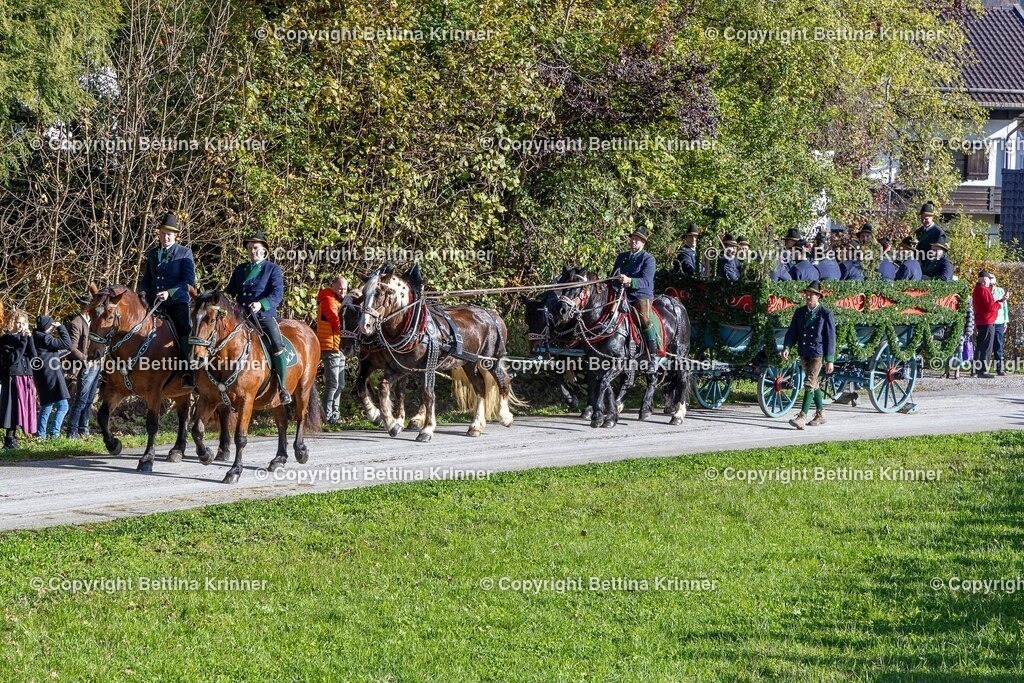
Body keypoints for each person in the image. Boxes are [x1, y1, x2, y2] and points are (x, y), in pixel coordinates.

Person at [225, 231, 292, 404]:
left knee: (277, 345)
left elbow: (277, 293)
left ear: (264, 251)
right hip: (241, 316)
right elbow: (230, 291)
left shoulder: (272, 269)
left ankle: (283, 387)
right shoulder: (240, 269)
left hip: (262, 316)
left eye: (255, 248)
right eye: (249, 248)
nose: (252, 251)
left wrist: (261, 303)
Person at [139, 212, 197, 387]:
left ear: (175, 235)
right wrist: (142, 294)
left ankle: (189, 371)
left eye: (169, 234)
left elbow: (188, 282)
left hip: (177, 302)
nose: (165, 237)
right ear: (159, 233)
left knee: (184, 330)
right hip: (154, 303)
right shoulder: (153, 254)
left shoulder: (184, 253)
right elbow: (146, 279)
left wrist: (169, 293)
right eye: (163, 233)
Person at [783, 281, 836, 429]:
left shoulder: (826, 314)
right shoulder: (800, 312)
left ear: (818, 296)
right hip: (804, 352)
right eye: (807, 293)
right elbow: (792, 332)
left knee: (809, 383)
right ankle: (821, 414)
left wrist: (829, 360)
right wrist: (787, 346)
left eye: (811, 294)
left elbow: (831, 338)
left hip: (817, 353)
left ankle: (802, 417)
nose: (808, 296)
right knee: (814, 384)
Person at [613, 224, 662, 364]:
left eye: (637, 239)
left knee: (644, 318)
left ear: (643, 243)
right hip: (621, 293)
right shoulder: (621, 257)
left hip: (640, 295)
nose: (634, 241)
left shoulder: (648, 259)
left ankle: (653, 353)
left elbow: (646, 281)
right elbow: (614, 275)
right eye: (633, 238)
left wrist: (630, 281)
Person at [0, 311, 38, 449]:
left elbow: (34, 357)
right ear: (12, 323)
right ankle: (9, 439)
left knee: (22, 409)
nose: (21, 325)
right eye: (18, 322)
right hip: (13, 376)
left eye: (23, 322)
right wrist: (23, 341)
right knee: (12, 408)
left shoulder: (25, 337)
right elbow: (12, 359)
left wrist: (30, 339)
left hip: (26, 375)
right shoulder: (6, 338)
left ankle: (14, 437)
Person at [65, 293, 100, 437]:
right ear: (87, 309)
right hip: (85, 365)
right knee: (81, 399)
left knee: (89, 400)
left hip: (97, 364)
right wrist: (85, 359)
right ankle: (71, 430)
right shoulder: (76, 323)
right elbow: (72, 348)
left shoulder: (94, 322)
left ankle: (83, 430)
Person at [32, 315, 72, 439]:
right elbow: (67, 344)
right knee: (63, 406)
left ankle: (41, 435)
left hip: (42, 377)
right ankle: (54, 434)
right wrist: (61, 328)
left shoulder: (36, 338)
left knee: (47, 406)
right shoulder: (46, 338)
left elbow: (48, 353)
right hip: (52, 377)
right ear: (48, 327)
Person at [317, 276, 348, 424]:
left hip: (339, 345)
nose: (343, 291)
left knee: (340, 383)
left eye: (345, 289)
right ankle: (327, 414)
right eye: (340, 288)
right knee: (332, 383)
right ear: (333, 286)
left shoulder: (338, 300)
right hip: (330, 345)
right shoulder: (328, 299)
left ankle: (335, 413)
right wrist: (349, 329)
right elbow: (336, 322)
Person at [972, 269, 1008, 378]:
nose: (990, 284)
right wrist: (999, 304)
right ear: (985, 280)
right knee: (986, 347)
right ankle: (983, 370)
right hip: (987, 321)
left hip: (982, 321)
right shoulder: (983, 290)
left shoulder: (977, 289)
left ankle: (977, 369)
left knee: (980, 346)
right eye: (989, 281)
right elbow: (990, 307)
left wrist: (999, 301)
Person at [991, 273, 1009, 376]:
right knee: (986, 346)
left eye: (994, 284)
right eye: (991, 284)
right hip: (989, 321)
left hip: (999, 321)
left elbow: (1005, 307)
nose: (993, 286)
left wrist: (1006, 320)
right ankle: (981, 367)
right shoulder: (986, 292)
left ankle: (999, 368)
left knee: (998, 346)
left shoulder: (1000, 291)